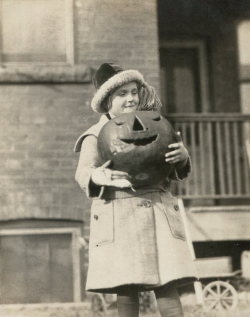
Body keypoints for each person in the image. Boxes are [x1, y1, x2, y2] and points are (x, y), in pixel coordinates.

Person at [74, 63, 196, 317]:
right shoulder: (95, 135)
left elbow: (171, 168)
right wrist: (98, 175)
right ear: (106, 101)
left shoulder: (156, 126)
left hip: (157, 210)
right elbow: (84, 172)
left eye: (133, 92)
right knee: (126, 290)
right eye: (122, 94)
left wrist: (182, 157)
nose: (130, 98)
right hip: (120, 216)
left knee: (168, 286)